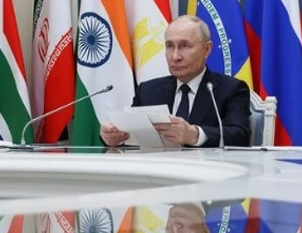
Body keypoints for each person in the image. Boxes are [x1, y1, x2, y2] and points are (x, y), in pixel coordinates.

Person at [100, 15, 251, 147]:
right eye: (170, 46)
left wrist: (194, 134)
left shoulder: (231, 89)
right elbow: (132, 135)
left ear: (206, 49)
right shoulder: (148, 90)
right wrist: (113, 137)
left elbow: (240, 135)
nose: (175, 56)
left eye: (185, 46)